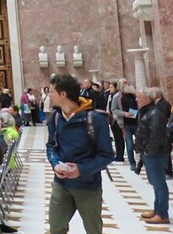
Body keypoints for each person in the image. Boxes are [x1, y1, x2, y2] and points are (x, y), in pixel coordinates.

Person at [46, 74, 113, 234]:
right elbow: (51, 146)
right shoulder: (56, 117)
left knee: (93, 229)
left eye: (52, 91)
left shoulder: (94, 119)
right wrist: (56, 164)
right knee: (56, 228)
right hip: (61, 184)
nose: (49, 95)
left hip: (88, 186)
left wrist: (81, 170)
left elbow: (106, 155)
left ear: (63, 94)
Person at [135, 87, 169, 224]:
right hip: (150, 153)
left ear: (147, 99)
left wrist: (148, 151)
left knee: (159, 183)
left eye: (139, 96)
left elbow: (156, 136)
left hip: (155, 154)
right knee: (155, 183)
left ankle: (162, 214)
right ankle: (157, 209)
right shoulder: (147, 112)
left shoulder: (154, 114)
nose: (136, 99)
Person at [106, 81, 125, 163]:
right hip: (112, 118)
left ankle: (120, 155)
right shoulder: (111, 96)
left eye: (111, 87)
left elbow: (115, 108)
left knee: (119, 138)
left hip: (117, 118)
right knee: (116, 138)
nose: (109, 89)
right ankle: (118, 154)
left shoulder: (117, 96)